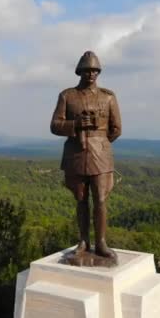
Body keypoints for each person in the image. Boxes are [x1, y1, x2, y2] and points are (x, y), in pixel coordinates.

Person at [50, 51, 122, 259]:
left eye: (94, 70)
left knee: (100, 199)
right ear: (79, 71)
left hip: (101, 155)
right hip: (76, 154)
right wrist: (76, 125)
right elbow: (55, 125)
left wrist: (99, 142)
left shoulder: (108, 97)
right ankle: (83, 241)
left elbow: (116, 129)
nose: (91, 74)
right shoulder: (67, 96)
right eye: (87, 70)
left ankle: (101, 243)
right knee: (81, 200)